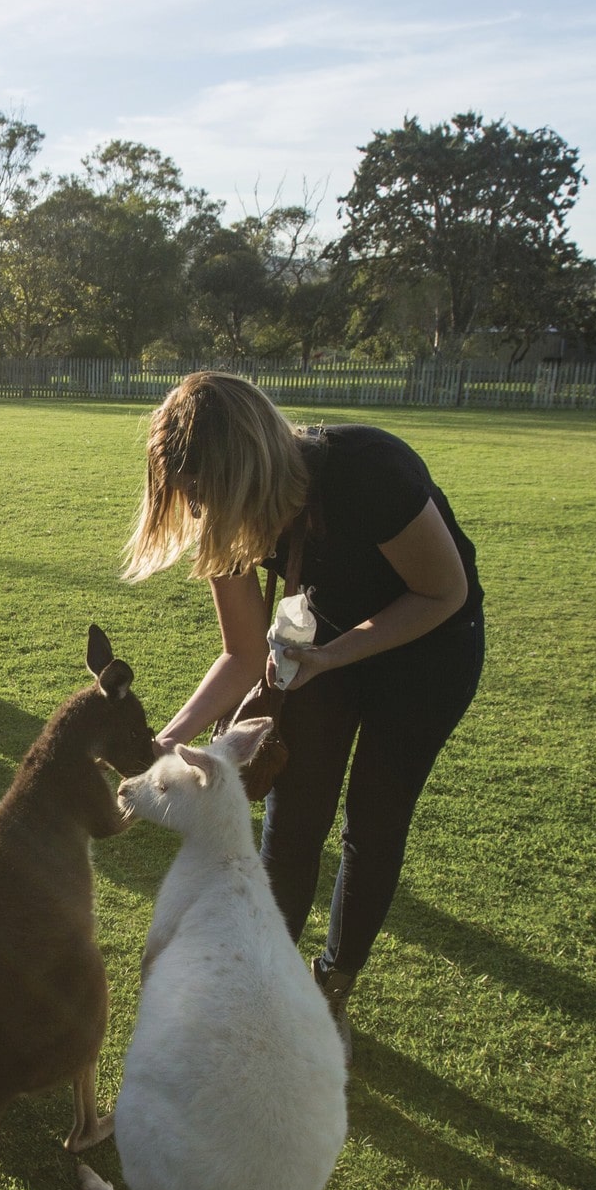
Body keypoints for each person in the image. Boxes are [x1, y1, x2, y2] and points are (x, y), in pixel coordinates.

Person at [120, 371, 483, 1043]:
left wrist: (335, 655)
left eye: (204, 491)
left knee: (372, 824)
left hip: (425, 649)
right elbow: (238, 652)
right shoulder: (220, 510)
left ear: (248, 469)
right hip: (315, 652)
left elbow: (443, 592)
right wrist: (165, 741)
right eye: (189, 495)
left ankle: (331, 984)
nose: (196, 507)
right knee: (290, 827)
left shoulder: (370, 469)